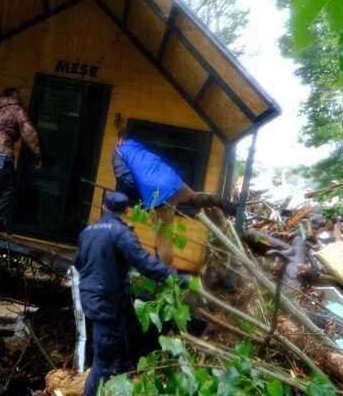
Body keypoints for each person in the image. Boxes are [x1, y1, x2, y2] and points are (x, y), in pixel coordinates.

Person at [75, 191, 189, 396]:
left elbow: (78, 262)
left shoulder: (88, 231)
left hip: (93, 298)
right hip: (106, 303)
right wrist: (176, 278)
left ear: (103, 207)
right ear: (126, 211)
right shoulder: (121, 233)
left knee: (120, 357)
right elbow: (145, 263)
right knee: (103, 362)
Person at [113, 128, 237, 265]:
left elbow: (122, 176)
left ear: (120, 140)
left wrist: (140, 189)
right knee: (194, 197)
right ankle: (224, 203)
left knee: (163, 237)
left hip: (155, 192)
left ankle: (168, 276)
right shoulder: (141, 148)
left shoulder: (119, 151)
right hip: (171, 179)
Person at [0, 88, 42, 235]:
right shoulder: (16, 109)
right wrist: (37, 155)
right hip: (0, 154)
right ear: (14, 97)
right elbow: (29, 133)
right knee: (8, 188)